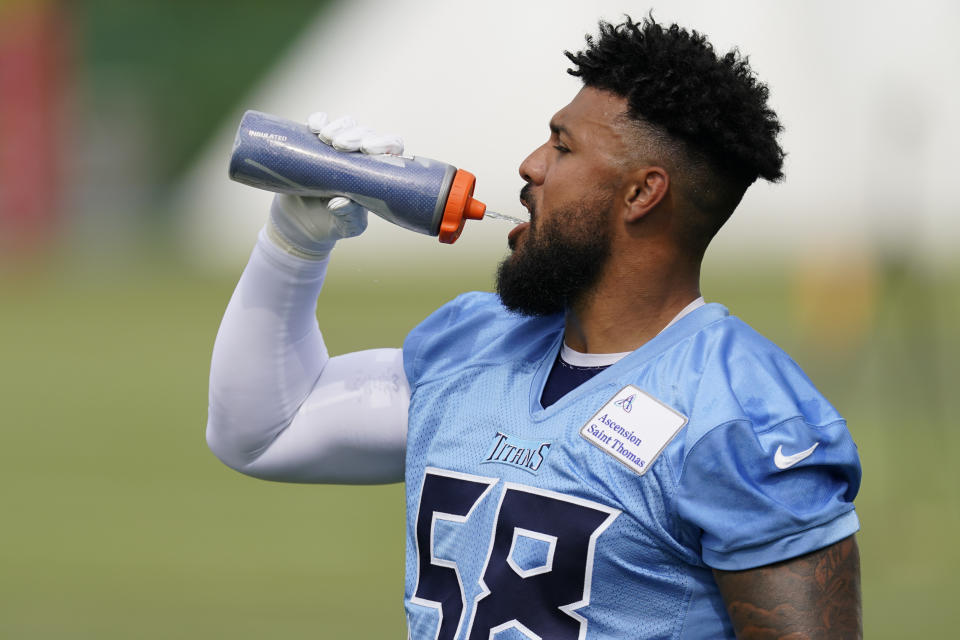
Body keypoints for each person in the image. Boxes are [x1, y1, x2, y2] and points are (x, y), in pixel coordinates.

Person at [207, 15, 862, 639]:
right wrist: (294, 242)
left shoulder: (739, 418)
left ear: (642, 193)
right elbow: (265, 431)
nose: (530, 166)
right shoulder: (476, 344)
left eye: (562, 146)